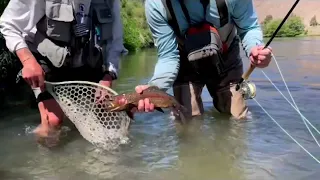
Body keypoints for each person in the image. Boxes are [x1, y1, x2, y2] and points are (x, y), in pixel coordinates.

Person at [0, 0, 127, 142]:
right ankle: (46, 161)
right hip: (49, 61)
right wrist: (28, 61)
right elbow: (9, 23)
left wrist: (108, 75)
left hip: (88, 61)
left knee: (109, 115)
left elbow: (115, 41)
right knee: (53, 123)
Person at [132, 0, 272, 120]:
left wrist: (255, 48)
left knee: (237, 119)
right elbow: (168, 56)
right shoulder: (156, 5)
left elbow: (248, 27)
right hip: (185, 63)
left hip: (226, 58)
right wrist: (154, 89)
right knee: (187, 121)